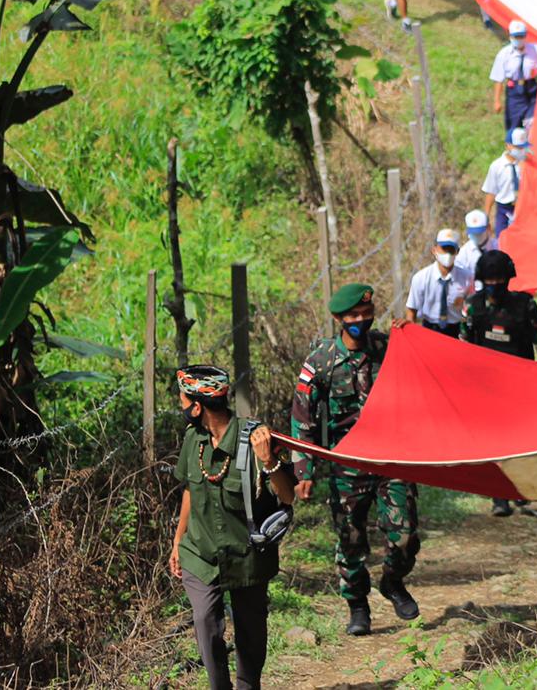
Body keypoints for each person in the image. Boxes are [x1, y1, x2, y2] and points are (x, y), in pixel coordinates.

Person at [291, 284, 420, 636]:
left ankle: (393, 582)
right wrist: (304, 470)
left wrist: (411, 332)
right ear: (338, 319)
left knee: (404, 535)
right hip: (347, 466)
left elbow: (423, 366)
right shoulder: (321, 361)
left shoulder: (386, 347)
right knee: (351, 540)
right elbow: (303, 416)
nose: (361, 321)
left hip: (392, 460)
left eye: (366, 314)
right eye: (353, 316)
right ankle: (358, 606)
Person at [171, 365, 296, 690]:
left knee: (251, 630)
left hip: (247, 555)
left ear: (197, 406)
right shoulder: (193, 439)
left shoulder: (255, 439)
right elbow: (189, 489)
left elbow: (287, 496)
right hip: (200, 552)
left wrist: (269, 461)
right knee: (205, 622)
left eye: (183, 400)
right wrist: (177, 540)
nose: (181, 405)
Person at [459, 250, 537, 516]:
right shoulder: (472, 306)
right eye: (489, 279)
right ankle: (498, 495)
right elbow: (462, 347)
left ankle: (520, 489)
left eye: (499, 279)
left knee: (522, 440)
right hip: (485, 386)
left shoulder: (525, 305)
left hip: (520, 384)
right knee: (492, 442)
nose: (494, 285)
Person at [405, 229, 474, 337]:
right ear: (434, 250)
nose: (447, 254)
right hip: (429, 329)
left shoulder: (467, 277)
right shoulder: (421, 278)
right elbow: (411, 311)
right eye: (444, 249)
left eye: (451, 250)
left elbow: (472, 307)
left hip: (455, 331)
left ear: (457, 252)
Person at [490, 21, 537, 134]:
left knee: (532, 123)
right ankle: (514, 148)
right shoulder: (504, 54)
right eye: (516, 36)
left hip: (531, 88)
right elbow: (498, 79)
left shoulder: (536, 50)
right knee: (514, 126)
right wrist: (497, 101)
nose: (519, 39)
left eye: (521, 36)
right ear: (509, 35)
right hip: (514, 91)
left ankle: (529, 147)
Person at [482, 127, 529, 238]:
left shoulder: (527, 165)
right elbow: (491, 192)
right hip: (504, 209)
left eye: (523, 147)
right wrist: (486, 216)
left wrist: (525, 171)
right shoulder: (497, 166)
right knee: (502, 241)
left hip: (523, 208)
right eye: (518, 147)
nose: (521, 150)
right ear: (508, 145)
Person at [455, 209, 498, 283]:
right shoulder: (464, 253)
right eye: (474, 233)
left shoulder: (499, 246)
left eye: (479, 232)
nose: (477, 236)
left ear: (488, 228)